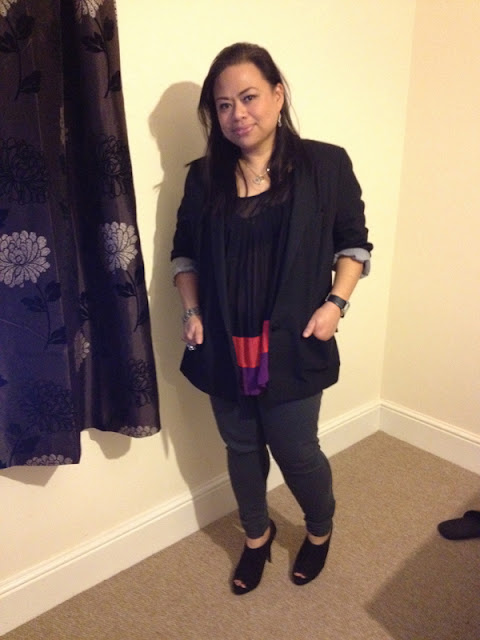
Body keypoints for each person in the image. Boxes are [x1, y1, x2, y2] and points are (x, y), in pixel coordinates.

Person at [171, 42, 372, 595]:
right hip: (224, 341)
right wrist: (192, 311)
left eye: (249, 97)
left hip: (293, 340)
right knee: (241, 449)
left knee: (296, 450)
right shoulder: (202, 178)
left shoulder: (326, 165)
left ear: (278, 95)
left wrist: (335, 305)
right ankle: (256, 537)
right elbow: (184, 254)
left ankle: (320, 529)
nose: (237, 114)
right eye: (224, 104)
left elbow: (354, 245)